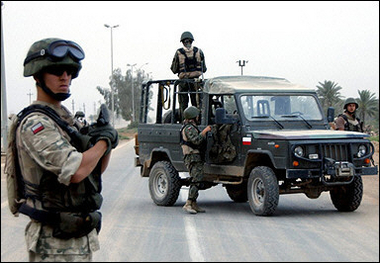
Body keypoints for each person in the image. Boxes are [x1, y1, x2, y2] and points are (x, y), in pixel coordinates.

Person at [6, 38, 118, 261]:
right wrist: (104, 142)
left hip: (76, 236)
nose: (64, 76)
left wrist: (103, 140)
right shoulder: (35, 124)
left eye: (69, 71)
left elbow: (93, 172)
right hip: (53, 241)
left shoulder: (66, 120)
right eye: (57, 71)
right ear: (38, 75)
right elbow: (76, 171)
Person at [180, 106, 211, 214]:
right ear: (193, 117)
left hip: (195, 157)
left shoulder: (191, 127)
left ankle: (193, 203)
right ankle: (188, 203)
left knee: (198, 179)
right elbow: (196, 140)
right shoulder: (189, 128)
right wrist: (205, 131)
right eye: (197, 116)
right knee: (196, 180)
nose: (199, 117)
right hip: (192, 157)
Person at [170, 31, 207, 120]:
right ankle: (198, 120)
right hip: (196, 82)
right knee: (197, 103)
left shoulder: (179, 53)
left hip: (183, 82)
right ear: (192, 41)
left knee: (183, 104)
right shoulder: (199, 52)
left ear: (182, 42)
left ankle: (184, 121)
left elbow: (174, 69)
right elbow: (204, 69)